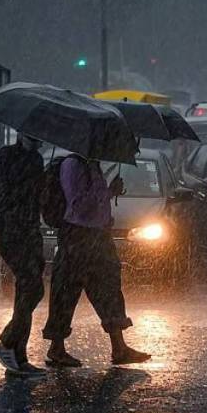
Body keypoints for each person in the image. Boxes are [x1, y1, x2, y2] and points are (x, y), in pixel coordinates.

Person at [43, 155, 150, 367]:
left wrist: (110, 193)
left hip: (99, 236)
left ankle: (119, 347)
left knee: (109, 288)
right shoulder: (73, 166)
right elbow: (79, 204)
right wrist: (108, 192)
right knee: (66, 291)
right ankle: (56, 347)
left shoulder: (93, 166)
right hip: (78, 236)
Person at [0, 135, 48, 377]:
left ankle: (19, 355)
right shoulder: (7, 155)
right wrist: (34, 182)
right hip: (13, 230)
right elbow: (7, 191)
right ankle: (7, 342)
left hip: (31, 230)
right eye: (33, 137)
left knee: (27, 290)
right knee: (32, 288)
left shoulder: (36, 159)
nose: (38, 142)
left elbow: (37, 199)